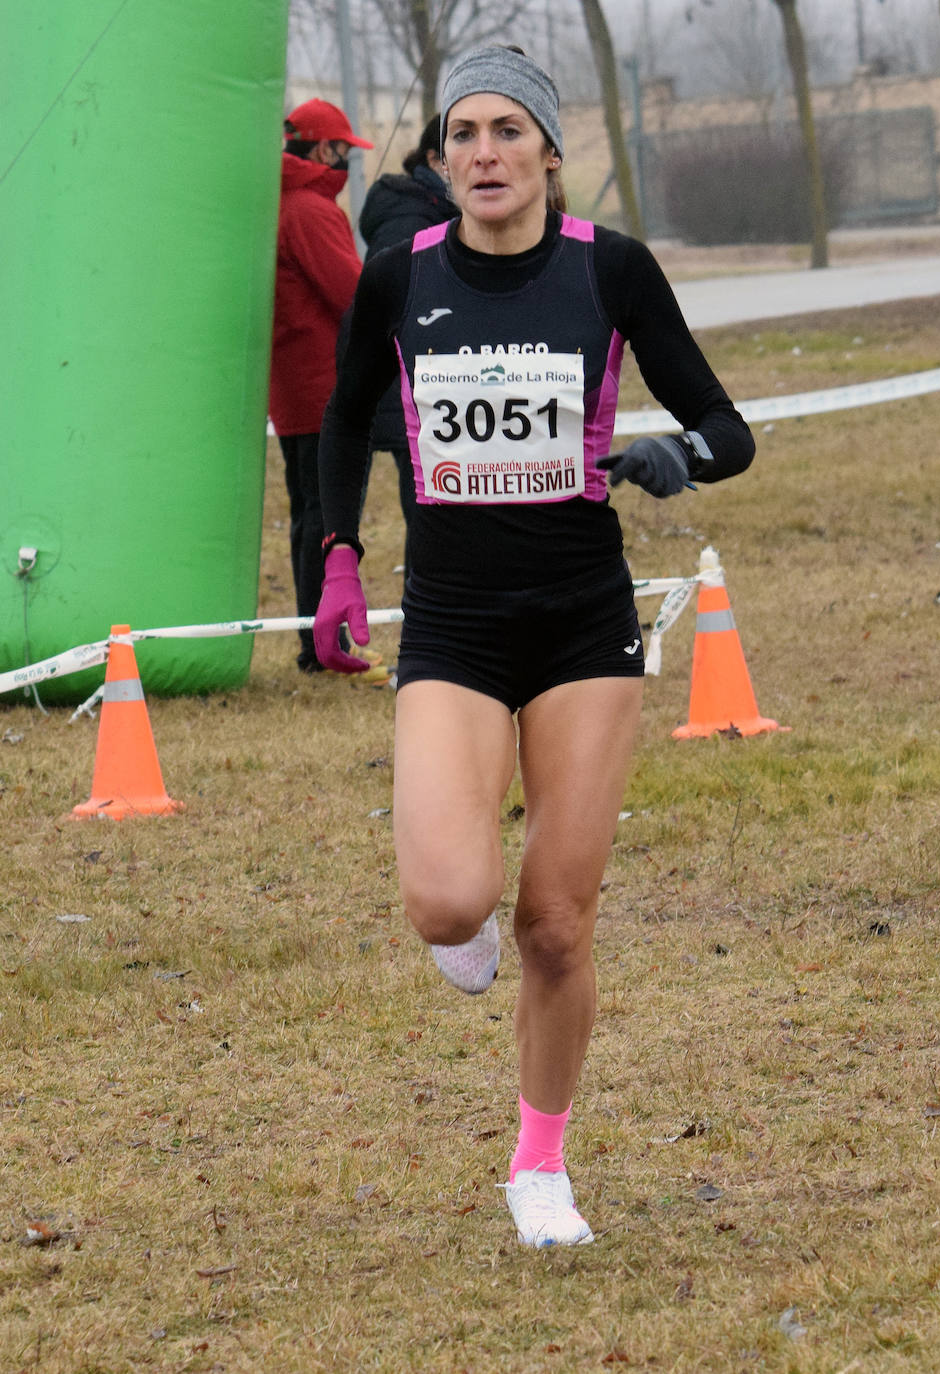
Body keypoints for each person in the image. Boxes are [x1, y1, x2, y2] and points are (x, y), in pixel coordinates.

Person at [313, 46, 755, 1247]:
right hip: (453, 622)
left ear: (550, 152)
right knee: (449, 904)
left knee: (556, 923)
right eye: (464, 134)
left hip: (580, 623)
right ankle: (463, 929)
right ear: (441, 155)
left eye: (510, 131)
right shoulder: (397, 277)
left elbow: (727, 428)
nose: (485, 154)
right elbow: (345, 413)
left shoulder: (608, 271)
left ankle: (539, 1164)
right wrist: (337, 556)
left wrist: (682, 457)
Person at [268, 98, 375, 674]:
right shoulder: (310, 210)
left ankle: (314, 643)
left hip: (293, 388)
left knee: (309, 515)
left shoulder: (281, 202)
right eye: (343, 150)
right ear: (323, 148)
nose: (348, 163)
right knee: (331, 519)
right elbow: (353, 295)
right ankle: (322, 644)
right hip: (323, 388)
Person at [349, 114, 454, 580]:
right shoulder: (411, 220)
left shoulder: (427, 208)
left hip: (412, 387)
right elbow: (392, 312)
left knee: (433, 516)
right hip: (404, 387)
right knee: (431, 517)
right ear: (433, 159)